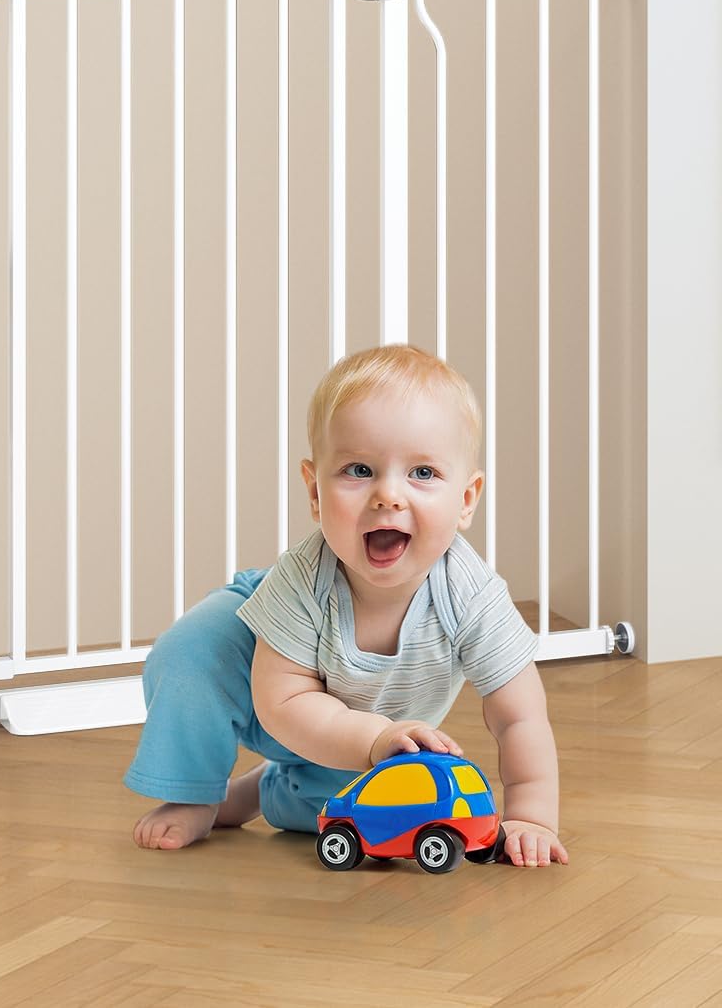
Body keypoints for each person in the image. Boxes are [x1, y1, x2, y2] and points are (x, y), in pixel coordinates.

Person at [126, 343, 568, 868]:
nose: (388, 495)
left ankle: (258, 792)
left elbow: (520, 716)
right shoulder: (301, 580)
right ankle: (194, 793)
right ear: (315, 492)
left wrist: (532, 815)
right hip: (272, 680)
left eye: (423, 473)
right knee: (191, 653)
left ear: (466, 500)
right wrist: (372, 736)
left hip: (367, 727)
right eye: (359, 469)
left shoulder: (470, 595)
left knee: (338, 812)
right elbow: (284, 702)